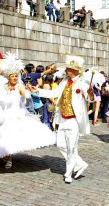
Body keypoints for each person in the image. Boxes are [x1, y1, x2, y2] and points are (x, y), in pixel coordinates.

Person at [0, 53, 56, 169]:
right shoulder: (2, 87)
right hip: (3, 116)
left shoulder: (19, 87)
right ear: (8, 77)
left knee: (10, 137)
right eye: (13, 76)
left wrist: (29, 92)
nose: (15, 78)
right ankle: (2, 155)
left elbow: (25, 94)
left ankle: (9, 159)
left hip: (16, 115)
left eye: (16, 76)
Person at [29, 55, 94, 184]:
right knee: (60, 144)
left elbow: (90, 98)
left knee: (71, 148)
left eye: (69, 68)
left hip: (74, 120)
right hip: (62, 118)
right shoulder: (64, 82)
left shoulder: (82, 83)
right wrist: (37, 90)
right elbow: (54, 93)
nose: (66, 70)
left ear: (75, 70)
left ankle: (68, 173)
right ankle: (80, 164)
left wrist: (91, 93)